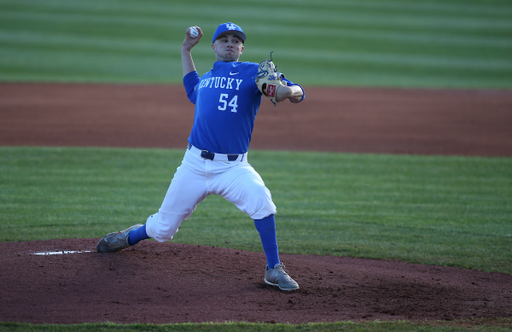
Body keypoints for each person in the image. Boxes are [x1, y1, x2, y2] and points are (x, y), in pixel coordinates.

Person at [96, 22, 305, 291]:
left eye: (235, 40)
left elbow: (299, 92)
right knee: (162, 230)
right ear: (214, 46)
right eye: (224, 39)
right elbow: (191, 88)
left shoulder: (254, 72)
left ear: (242, 48)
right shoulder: (205, 79)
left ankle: (274, 269)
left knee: (261, 200)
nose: (230, 43)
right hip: (194, 165)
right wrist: (185, 50)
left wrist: (288, 92)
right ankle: (129, 236)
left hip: (233, 168)